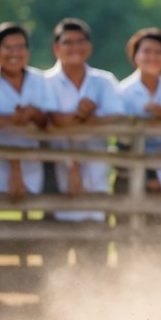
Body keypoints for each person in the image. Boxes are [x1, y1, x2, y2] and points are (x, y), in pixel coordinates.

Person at [44, 18, 124, 224]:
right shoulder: (44, 82)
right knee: (54, 235)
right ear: (56, 48)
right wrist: (83, 117)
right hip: (55, 170)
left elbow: (117, 116)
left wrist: (89, 117)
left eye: (80, 41)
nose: (75, 47)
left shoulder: (104, 81)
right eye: (68, 42)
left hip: (97, 170)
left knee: (96, 234)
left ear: (89, 46)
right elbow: (48, 121)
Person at [0, 22, 53, 204]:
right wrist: (14, 119)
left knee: (31, 228)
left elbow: (48, 120)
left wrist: (32, 113)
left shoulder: (40, 80)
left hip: (31, 168)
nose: (14, 53)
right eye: (8, 47)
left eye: (20, 47)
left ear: (27, 51)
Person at [116, 28, 161, 200]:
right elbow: (121, 138)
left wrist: (159, 111)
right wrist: (148, 175)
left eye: (158, 52)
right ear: (135, 55)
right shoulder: (123, 91)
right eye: (146, 51)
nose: (152, 57)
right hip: (131, 169)